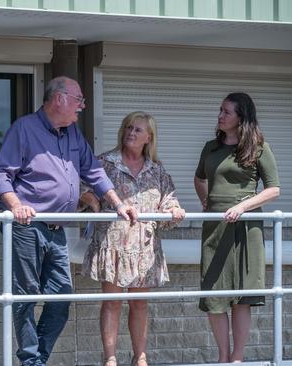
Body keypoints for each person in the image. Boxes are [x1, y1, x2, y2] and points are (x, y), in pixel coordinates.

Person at [0, 76, 138, 366]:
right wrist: (16, 205)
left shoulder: (72, 133)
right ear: (60, 99)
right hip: (26, 228)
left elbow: (93, 171)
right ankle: (31, 360)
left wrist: (118, 203)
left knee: (61, 297)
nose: (82, 106)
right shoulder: (24, 129)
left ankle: (37, 359)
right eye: (79, 100)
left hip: (57, 230)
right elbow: (0, 174)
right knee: (25, 296)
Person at [79, 111, 185, 366]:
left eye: (137, 130)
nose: (131, 133)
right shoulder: (105, 162)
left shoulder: (156, 171)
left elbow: (169, 201)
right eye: (128, 127)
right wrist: (90, 200)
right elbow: (80, 185)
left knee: (139, 304)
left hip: (144, 247)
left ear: (149, 137)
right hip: (112, 244)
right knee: (112, 303)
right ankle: (111, 358)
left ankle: (140, 357)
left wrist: (174, 210)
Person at [194, 92, 280, 363]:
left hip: (245, 227)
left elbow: (273, 189)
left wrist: (243, 207)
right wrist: (206, 200)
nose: (220, 115)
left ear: (241, 117)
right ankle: (222, 356)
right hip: (215, 227)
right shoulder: (210, 147)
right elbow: (199, 179)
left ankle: (237, 358)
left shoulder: (259, 147)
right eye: (220, 110)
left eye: (226, 112)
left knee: (242, 296)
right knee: (214, 294)